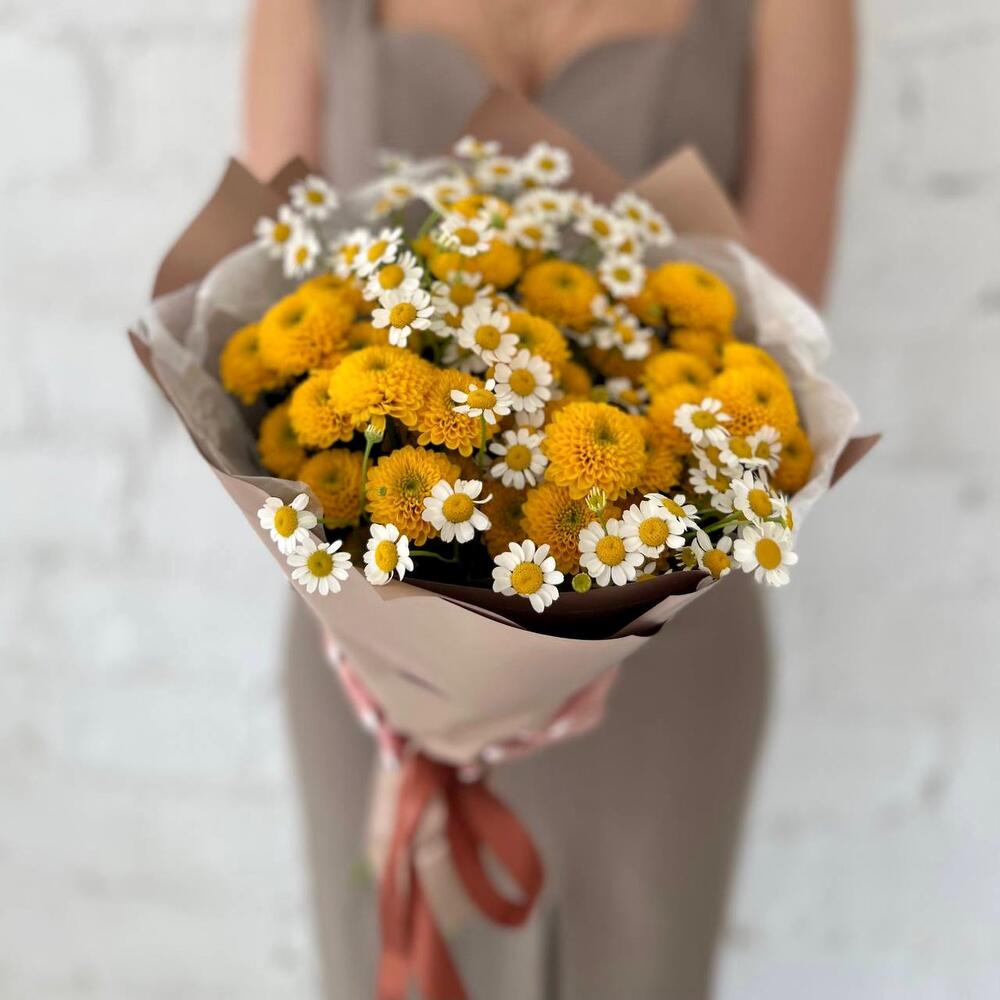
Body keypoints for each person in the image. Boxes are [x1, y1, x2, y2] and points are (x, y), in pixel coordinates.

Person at [242, 1, 855, 996]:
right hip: (369, 639)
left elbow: (781, 355)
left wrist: (589, 613)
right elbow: (269, 315)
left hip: (662, 649)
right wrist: (401, 643)